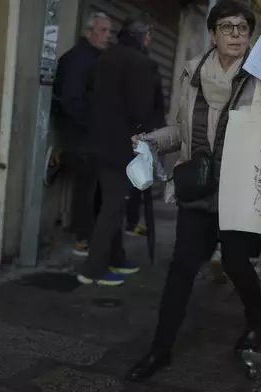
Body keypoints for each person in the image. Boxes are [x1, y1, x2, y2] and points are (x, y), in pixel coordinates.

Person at [125, 1, 261, 382]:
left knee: (238, 265)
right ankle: (160, 350)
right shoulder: (192, 75)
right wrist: (152, 140)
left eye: (243, 28)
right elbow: (181, 130)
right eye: (228, 28)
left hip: (239, 192)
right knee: (181, 269)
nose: (236, 35)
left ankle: (258, 324)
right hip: (198, 186)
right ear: (213, 34)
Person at [76, 16, 156, 286]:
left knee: (112, 202)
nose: (151, 42)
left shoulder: (105, 57)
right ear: (143, 37)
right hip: (121, 145)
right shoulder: (141, 63)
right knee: (112, 206)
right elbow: (141, 110)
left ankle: (117, 258)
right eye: (150, 37)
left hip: (97, 140)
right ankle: (93, 268)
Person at [52, 12, 112, 257]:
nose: (108, 36)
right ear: (88, 32)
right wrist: (90, 125)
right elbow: (71, 99)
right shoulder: (80, 59)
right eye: (103, 30)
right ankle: (82, 239)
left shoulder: (92, 57)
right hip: (81, 135)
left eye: (109, 31)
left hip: (87, 134)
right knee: (86, 188)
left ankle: (86, 234)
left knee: (91, 186)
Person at [124, 62, 166, 237]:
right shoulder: (149, 73)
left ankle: (130, 223)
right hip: (137, 134)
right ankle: (130, 223)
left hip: (133, 134)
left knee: (134, 183)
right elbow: (157, 108)